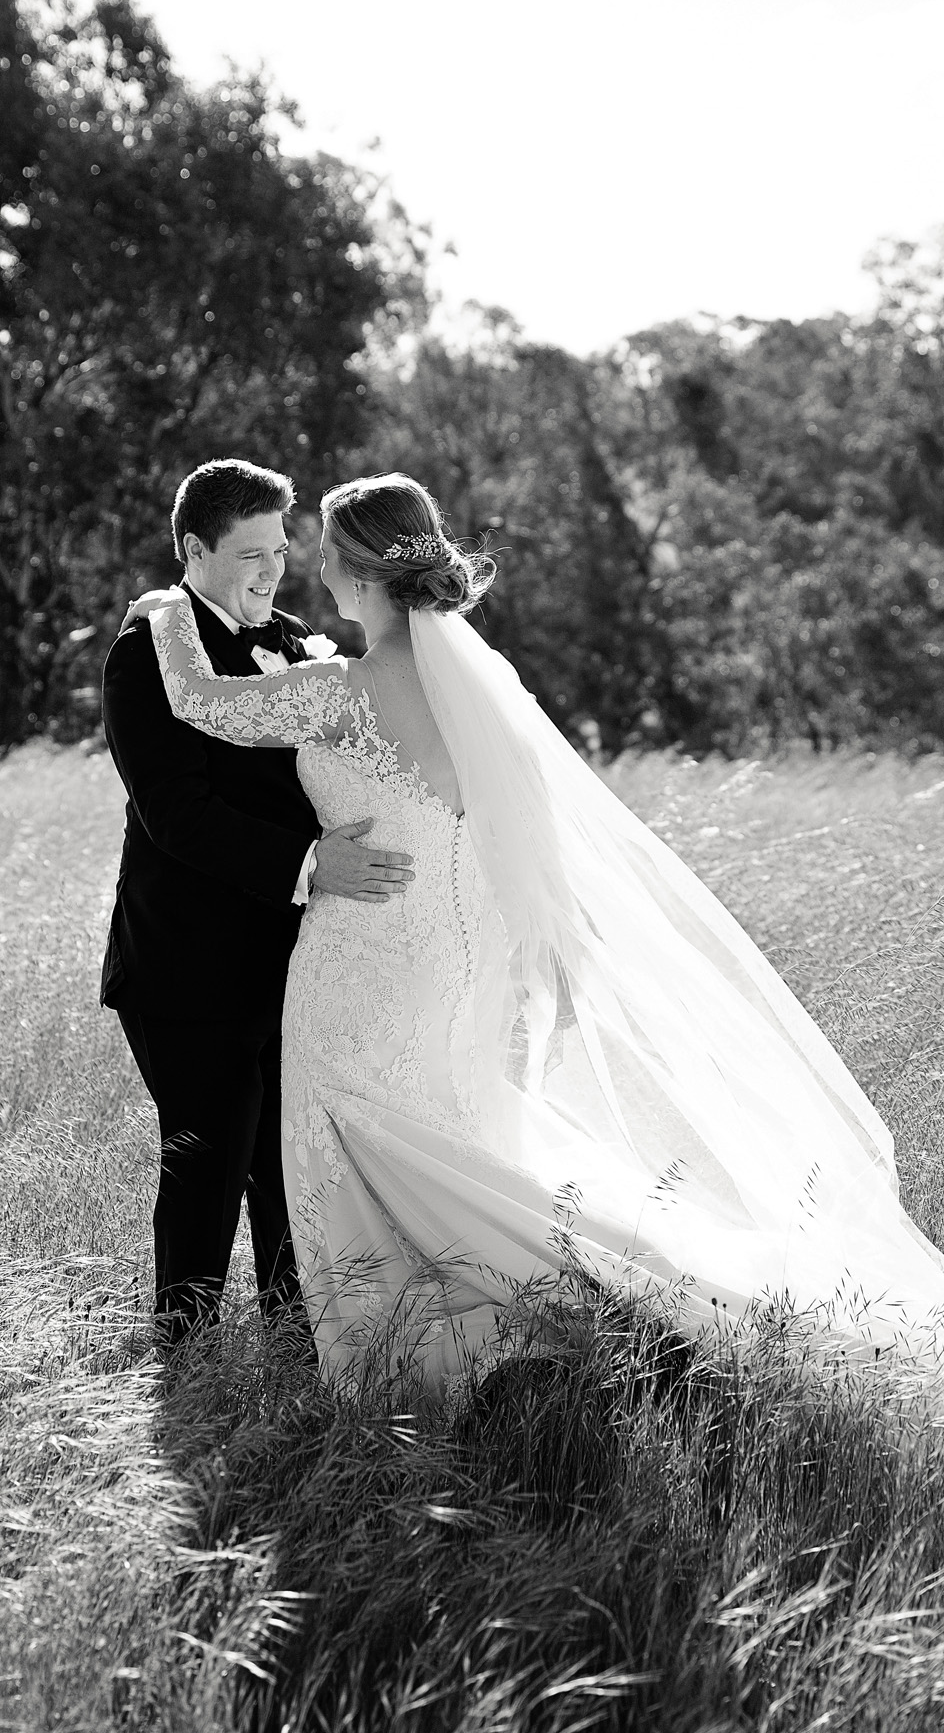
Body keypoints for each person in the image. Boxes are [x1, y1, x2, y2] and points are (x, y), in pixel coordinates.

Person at [124, 472, 944, 1385]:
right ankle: (595, 1304)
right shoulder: (480, 693)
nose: (303, 565)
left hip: (363, 960)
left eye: (313, 547)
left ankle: (450, 1340)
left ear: (358, 567)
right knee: (456, 1140)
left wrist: (162, 610)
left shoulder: (339, 689)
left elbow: (199, 701)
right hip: (452, 959)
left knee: (362, 1146)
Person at [100, 458, 413, 1354]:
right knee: (207, 1164)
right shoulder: (147, 650)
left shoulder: (296, 642)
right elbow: (177, 813)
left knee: (289, 1168)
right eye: (250, 553)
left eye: (280, 549)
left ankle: (296, 1345)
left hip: (296, 961)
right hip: (185, 965)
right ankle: (186, 1354)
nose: (273, 570)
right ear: (194, 550)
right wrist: (314, 863)